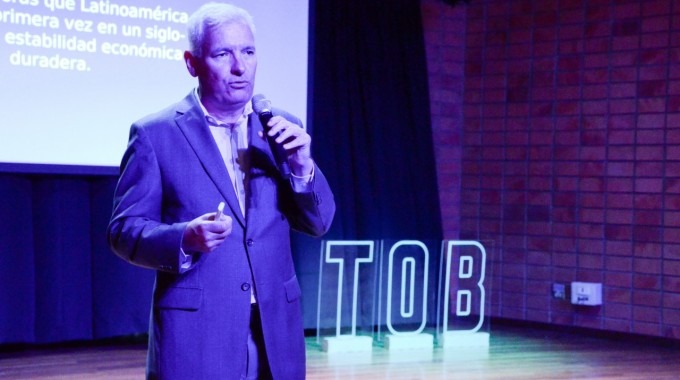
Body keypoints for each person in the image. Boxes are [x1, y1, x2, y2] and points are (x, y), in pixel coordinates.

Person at [106, 3, 335, 379]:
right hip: (198, 331)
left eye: (248, 51)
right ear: (192, 63)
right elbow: (123, 231)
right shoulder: (156, 134)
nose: (240, 67)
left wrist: (301, 167)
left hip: (275, 326)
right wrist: (183, 238)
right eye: (223, 54)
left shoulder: (281, 129)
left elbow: (320, 222)